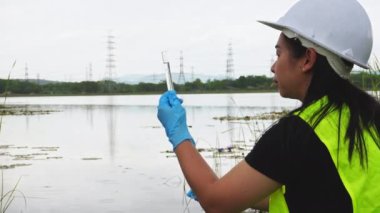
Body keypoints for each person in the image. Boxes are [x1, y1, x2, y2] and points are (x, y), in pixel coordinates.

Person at [157, 0, 380, 212]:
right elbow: (322, 194)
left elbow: (216, 204)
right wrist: (232, 192)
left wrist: (178, 133)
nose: (273, 66)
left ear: (307, 59)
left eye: (278, 53)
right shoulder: (369, 116)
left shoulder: (296, 133)